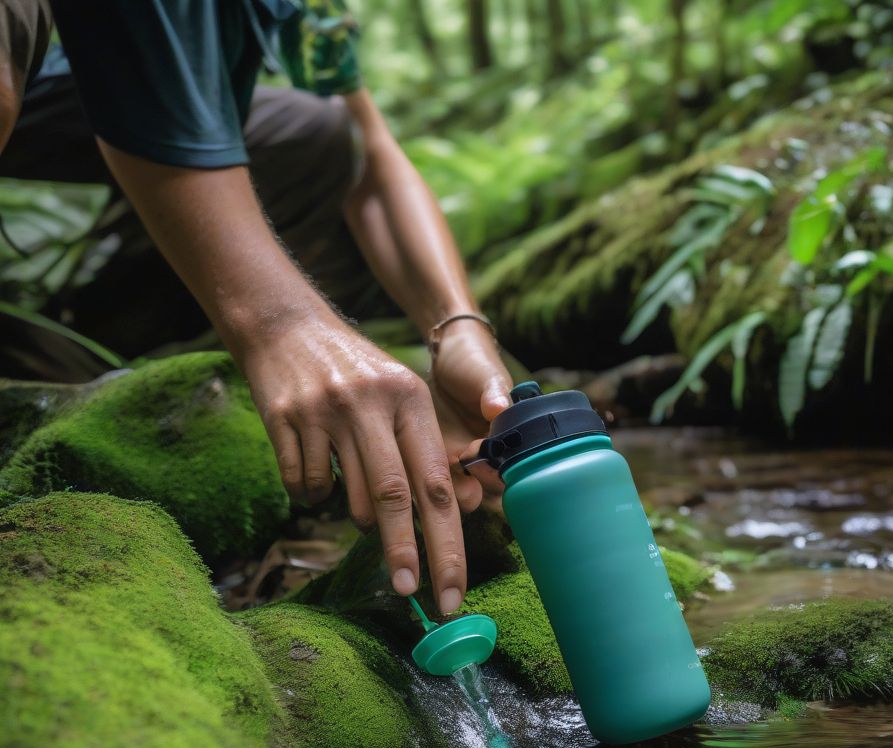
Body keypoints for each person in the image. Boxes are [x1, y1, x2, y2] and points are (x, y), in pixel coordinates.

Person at [0, 0, 513, 616]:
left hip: (98, 97)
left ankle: (108, 348)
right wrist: (281, 326)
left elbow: (374, 161)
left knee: (317, 130)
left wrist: (457, 326)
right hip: (48, 70)